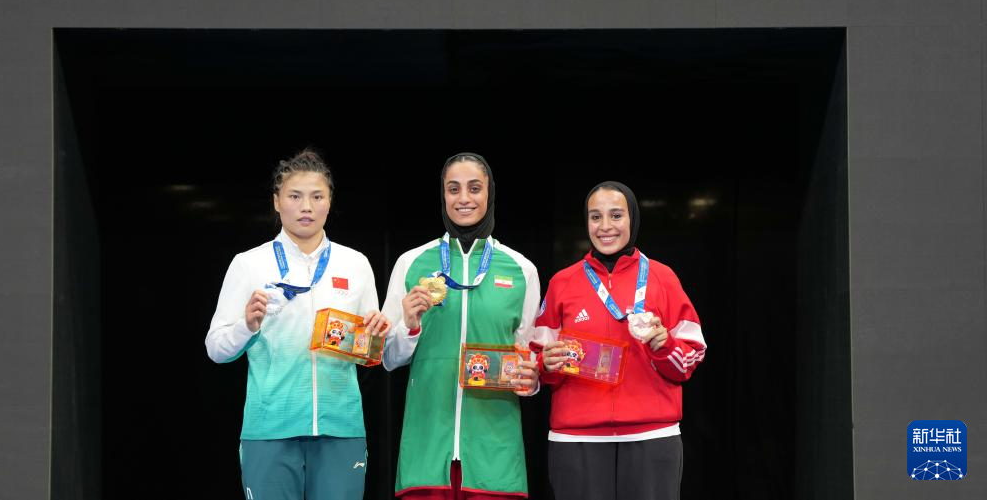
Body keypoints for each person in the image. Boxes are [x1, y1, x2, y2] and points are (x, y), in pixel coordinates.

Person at [205, 149, 390, 500]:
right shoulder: (249, 264)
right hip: (269, 429)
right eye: (294, 196)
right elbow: (216, 348)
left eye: (317, 197)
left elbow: (369, 352)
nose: (306, 206)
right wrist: (247, 326)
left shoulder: (355, 264)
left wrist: (376, 335)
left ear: (329, 202)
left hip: (341, 427)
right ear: (277, 202)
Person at [382, 153, 541, 499]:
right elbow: (389, 358)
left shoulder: (521, 269)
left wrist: (531, 381)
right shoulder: (411, 263)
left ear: (490, 193)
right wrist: (410, 326)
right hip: (426, 442)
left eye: (474, 188)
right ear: (443, 195)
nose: (464, 198)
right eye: (454, 189)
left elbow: (527, 357)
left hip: (494, 448)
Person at [536, 181, 706, 500]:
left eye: (616, 215)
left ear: (633, 219)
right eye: (595, 217)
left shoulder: (663, 278)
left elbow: (691, 358)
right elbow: (537, 360)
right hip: (576, 439)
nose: (605, 226)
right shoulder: (562, 282)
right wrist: (547, 364)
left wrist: (665, 346)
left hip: (652, 436)